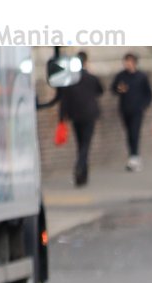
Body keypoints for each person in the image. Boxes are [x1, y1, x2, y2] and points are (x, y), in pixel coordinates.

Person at [57, 51, 103, 186]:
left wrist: (62, 117)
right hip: (89, 115)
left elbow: (64, 100)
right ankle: (80, 168)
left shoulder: (70, 79)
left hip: (75, 115)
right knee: (85, 144)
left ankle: (82, 174)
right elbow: (100, 90)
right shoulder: (91, 77)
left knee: (80, 143)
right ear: (86, 62)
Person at [111, 52, 152, 172]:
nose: (127, 64)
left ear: (134, 63)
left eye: (129, 62)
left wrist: (144, 105)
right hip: (124, 109)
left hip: (137, 110)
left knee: (135, 132)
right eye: (125, 62)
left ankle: (134, 156)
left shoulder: (141, 76)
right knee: (129, 133)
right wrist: (119, 89)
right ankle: (133, 156)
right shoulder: (121, 76)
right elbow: (114, 89)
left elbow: (148, 93)